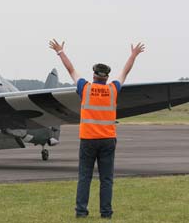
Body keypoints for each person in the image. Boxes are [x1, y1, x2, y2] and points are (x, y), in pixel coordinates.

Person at [49, 39, 145, 219]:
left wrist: (60, 51)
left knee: (84, 177)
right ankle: (106, 213)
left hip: (88, 140)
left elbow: (71, 70)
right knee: (106, 179)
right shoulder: (113, 90)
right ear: (107, 77)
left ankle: (81, 212)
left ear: (94, 75)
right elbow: (125, 72)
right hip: (108, 140)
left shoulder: (85, 88)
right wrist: (133, 55)